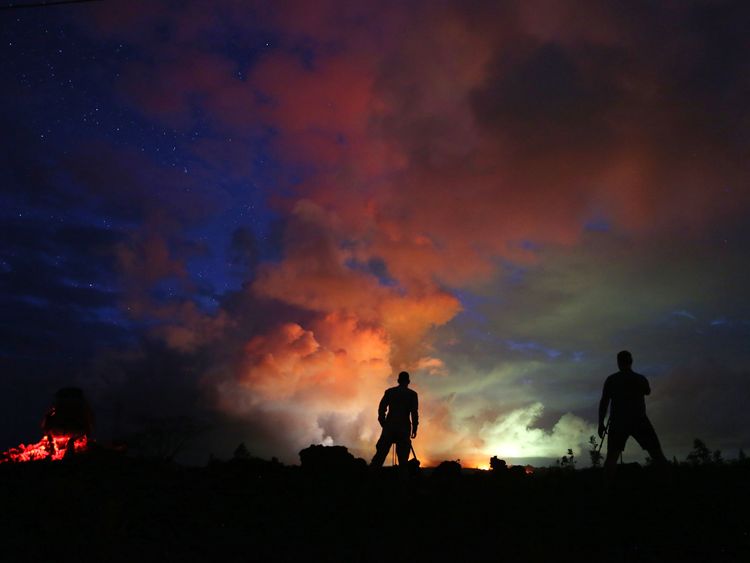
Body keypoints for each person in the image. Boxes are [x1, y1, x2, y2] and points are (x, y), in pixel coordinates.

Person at [598, 351, 668, 471]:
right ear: (631, 362)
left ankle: (606, 487)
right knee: (656, 454)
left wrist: (601, 423)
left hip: (618, 421)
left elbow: (604, 402)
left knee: (611, 458)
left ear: (618, 363)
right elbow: (648, 391)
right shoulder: (640, 379)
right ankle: (669, 483)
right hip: (639, 420)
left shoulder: (611, 380)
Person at [370, 371, 418, 473]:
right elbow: (414, 413)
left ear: (398, 380)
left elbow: (382, 407)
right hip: (404, 428)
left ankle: (370, 477)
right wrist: (414, 428)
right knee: (403, 459)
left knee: (380, 455)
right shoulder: (412, 394)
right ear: (408, 381)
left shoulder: (390, 392)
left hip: (389, 427)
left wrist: (383, 422)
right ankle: (402, 482)